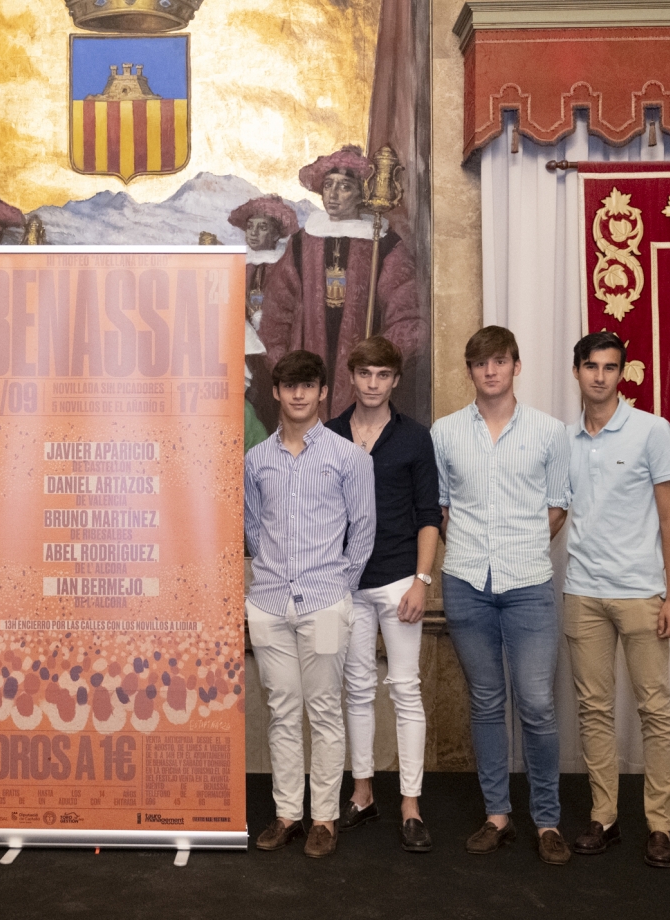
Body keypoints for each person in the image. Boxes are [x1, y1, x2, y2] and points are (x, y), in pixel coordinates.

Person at [430, 325, 572, 865]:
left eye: (500, 361)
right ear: (469, 371)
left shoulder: (548, 431)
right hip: (466, 582)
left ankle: (547, 820)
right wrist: (473, 551)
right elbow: (442, 509)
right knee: (487, 702)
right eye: (480, 363)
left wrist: (520, 548)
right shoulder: (445, 433)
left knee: (536, 703)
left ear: (516, 365)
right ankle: (497, 816)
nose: (490, 371)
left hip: (529, 584)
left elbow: (557, 508)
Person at [245, 349, 376, 859]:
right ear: (275, 393)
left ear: (324, 392)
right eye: (288, 386)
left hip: (325, 604)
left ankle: (324, 817)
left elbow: (362, 533)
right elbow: (254, 528)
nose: (298, 394)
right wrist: (271, 577)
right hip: (271, 605)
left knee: (323, 711)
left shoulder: (349, 458)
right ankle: (286, 815)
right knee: (281, 712)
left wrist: (337, 587)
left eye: (308, 385)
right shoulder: (256, 460)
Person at [563, 331, 670, 869]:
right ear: (577, 371)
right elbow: (556, 513)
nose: (600, 376)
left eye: (610, 367)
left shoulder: (650, 430)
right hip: (583, 593)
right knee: (594, 710)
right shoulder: (564, 441)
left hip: (640, 592)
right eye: (591, 366)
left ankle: (659, 827)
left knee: (655, 710)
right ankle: (604, 818)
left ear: (622, 374)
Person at [324, 336, 440, 852]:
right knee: (356, 691)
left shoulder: (415, 438)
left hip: (399, 582)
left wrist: (422, 580)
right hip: (347, 583)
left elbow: (429, 516)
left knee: (405, 690)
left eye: (382, 375)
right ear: (353, 377)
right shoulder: (328, 436)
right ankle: (363, 793)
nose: (373, 384)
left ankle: (410, 805)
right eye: (364, 374)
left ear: (395, 380)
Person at [259, 145, 426, 418]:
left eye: (345, 187)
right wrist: (284, 364)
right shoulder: (302, 242)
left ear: (362, 192)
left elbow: (408, 317)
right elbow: (277, 311)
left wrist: (377, 365)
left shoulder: (383, 244)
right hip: (307, 372)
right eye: (328, 185)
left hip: (361, 378)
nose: (333, 195)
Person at [229, 194, 300, 433]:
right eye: (250, 227)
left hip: (276, 350)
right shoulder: (240, 266)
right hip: (245, 351)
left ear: (277, 233)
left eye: (262, 227)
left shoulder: (285, 267)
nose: (253, 233)